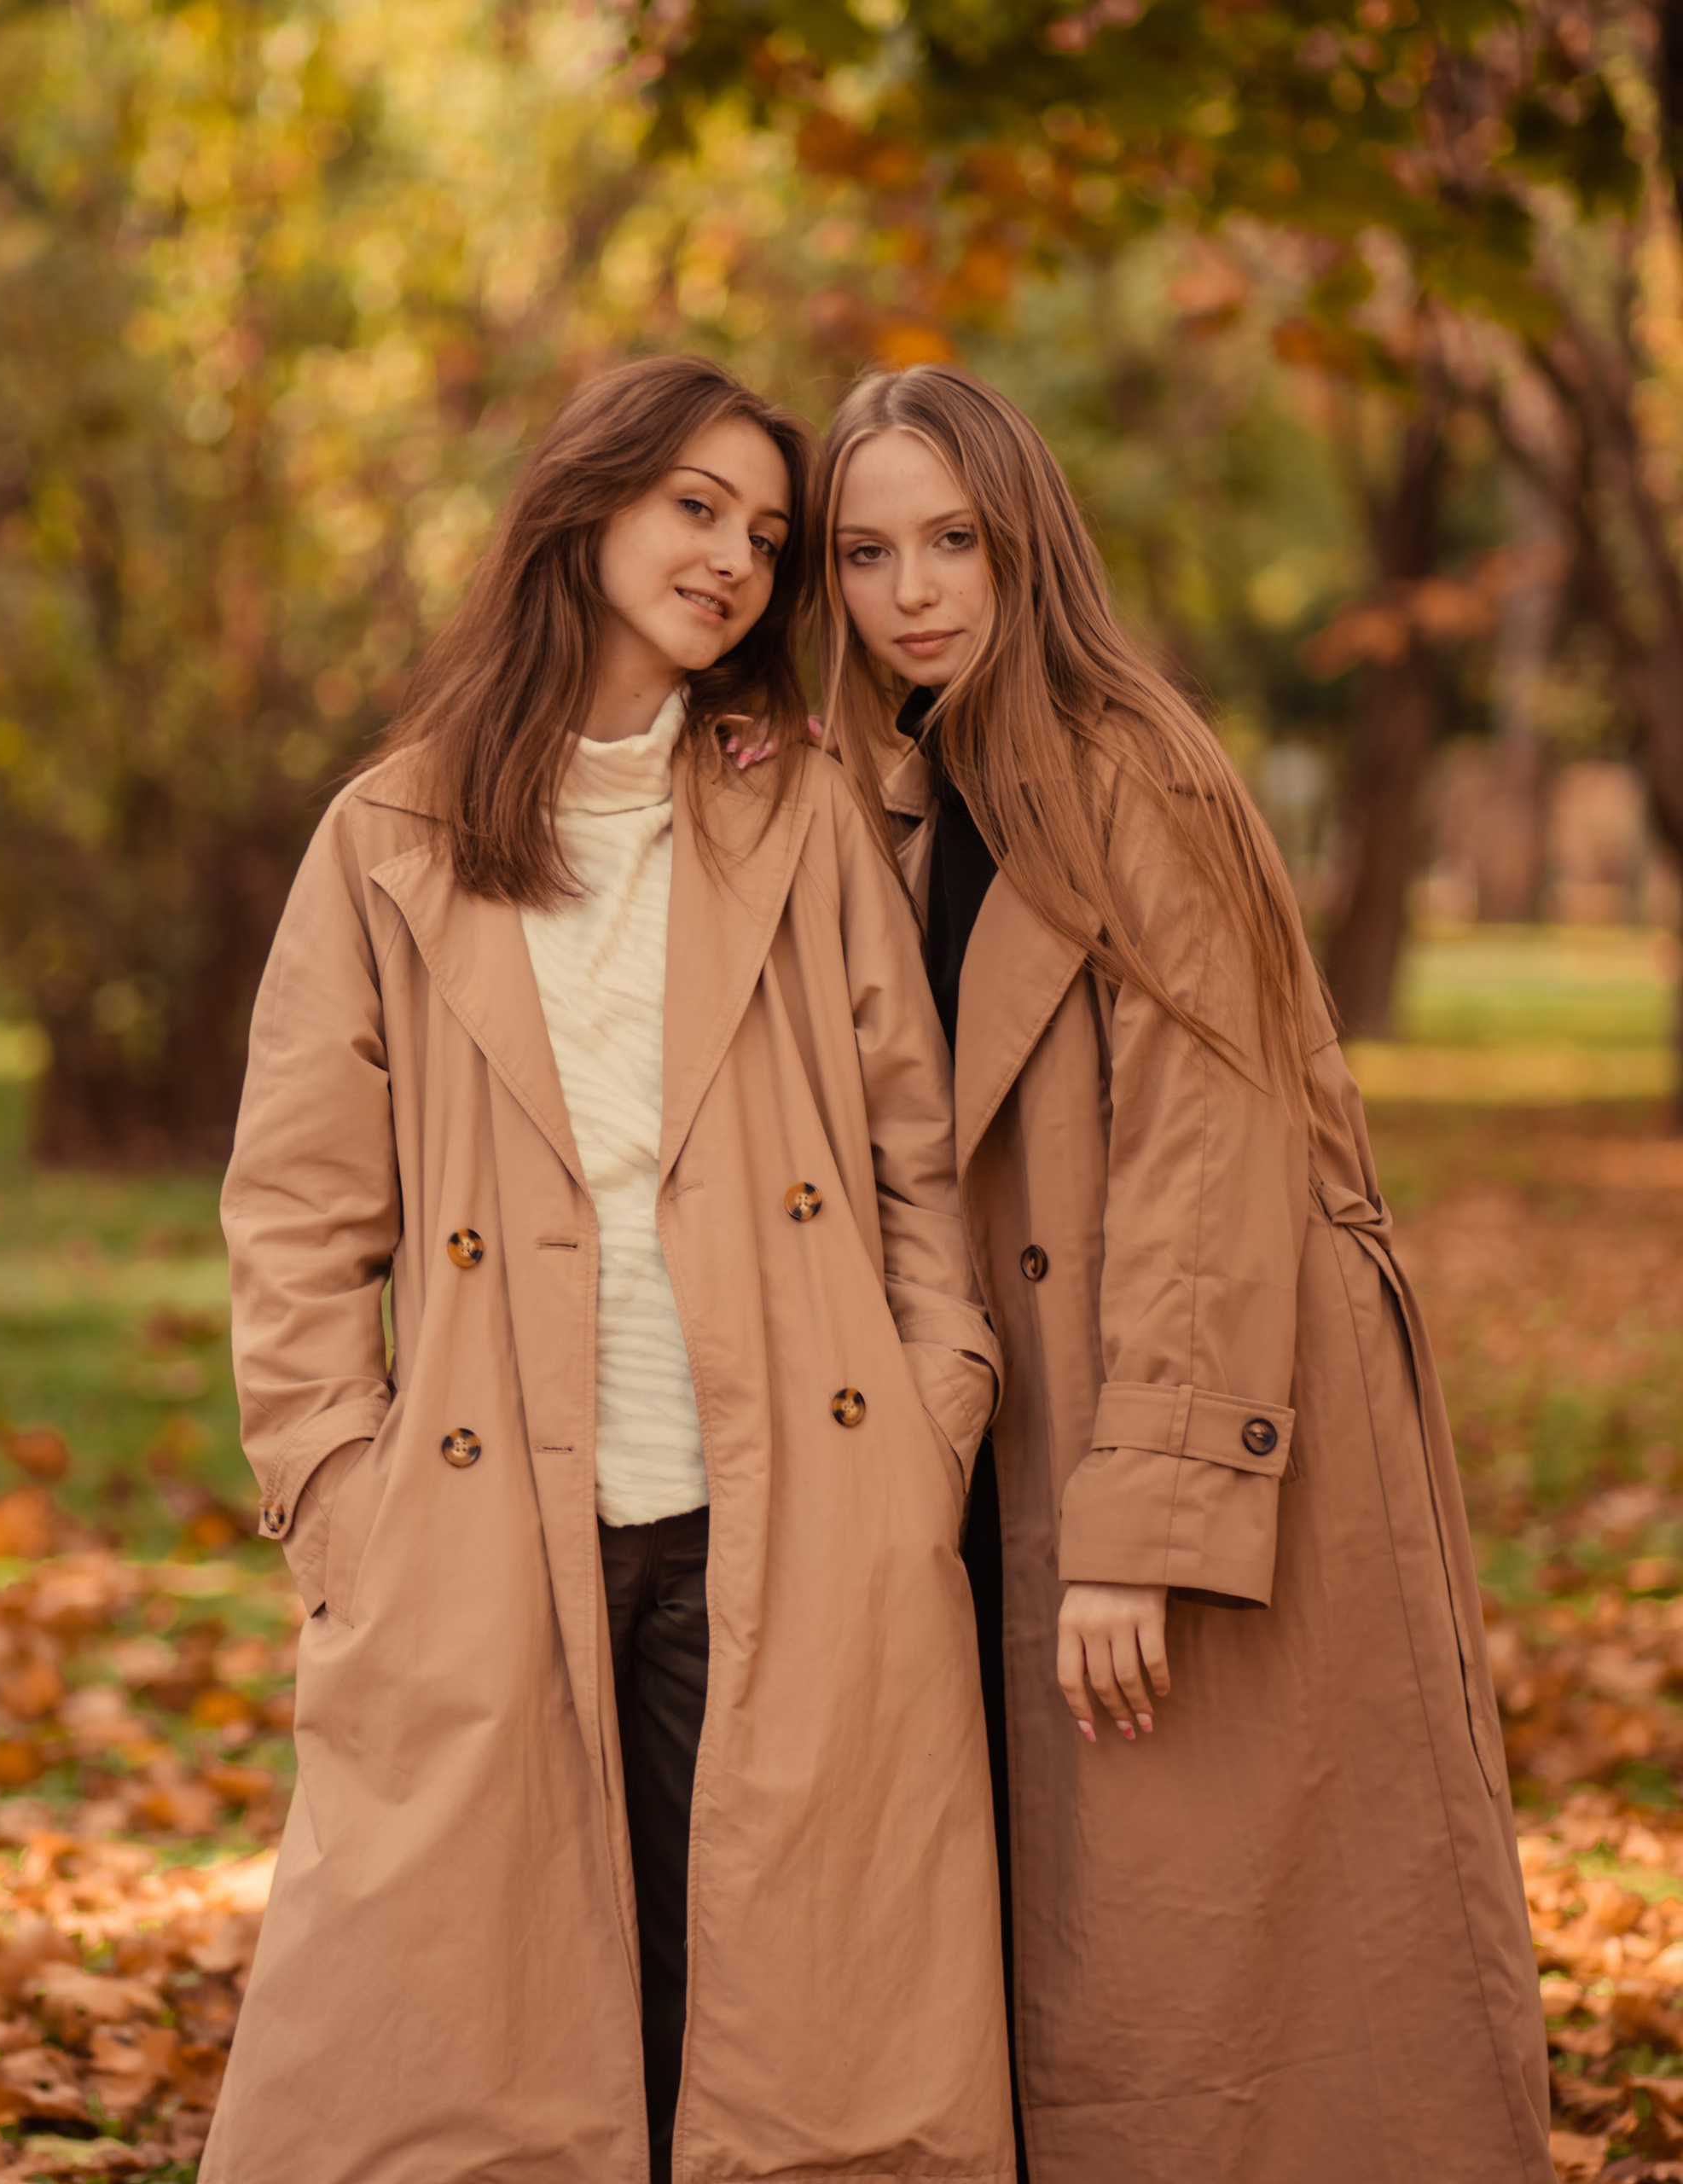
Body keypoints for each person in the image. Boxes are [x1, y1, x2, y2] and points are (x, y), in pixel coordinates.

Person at [201, 353, 1016, 2184]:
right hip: (488, 1525)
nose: (733, 558)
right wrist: (340, 1496)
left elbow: (913, 1152)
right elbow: (296, 1215)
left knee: (775, 2038)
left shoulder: (795, 806)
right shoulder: (388, 836)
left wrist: (922, 1427)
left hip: (784, 1503)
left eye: (763, 533)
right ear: (586, 501)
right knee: (470, 2047)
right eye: (693, 506)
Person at [813, 362, 1552, 2184]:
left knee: (1233, 1940)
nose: (911, 588)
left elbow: (1203, 1155)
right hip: (1054, 1394)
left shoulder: (1127, 768)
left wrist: (1133, 1518)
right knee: (1130, 1930)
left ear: (1023, 543)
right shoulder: (914, 788)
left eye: (951, 540)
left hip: (1206, 1407)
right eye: (863, 551)